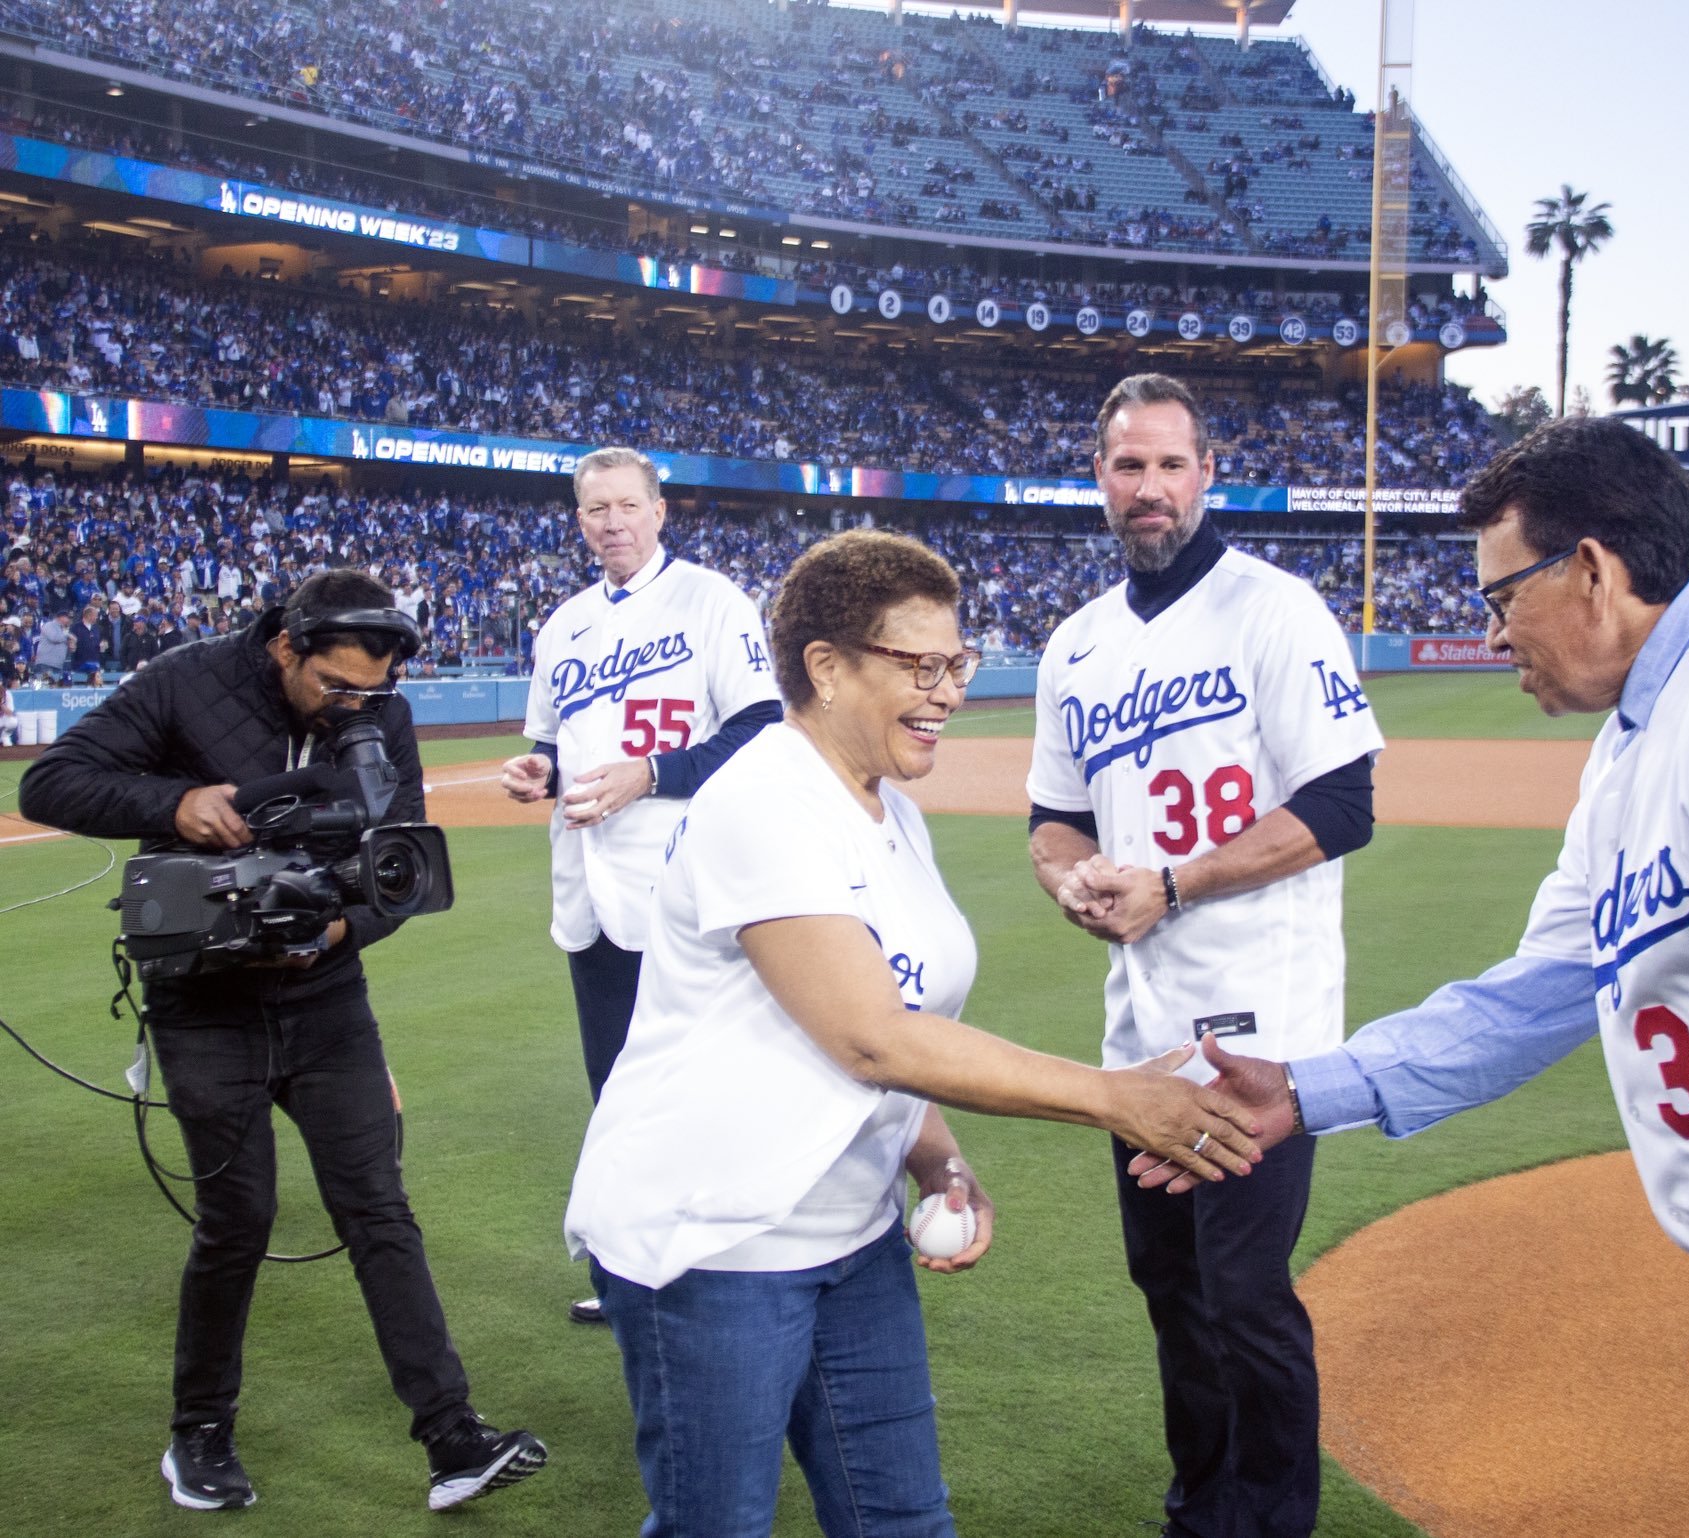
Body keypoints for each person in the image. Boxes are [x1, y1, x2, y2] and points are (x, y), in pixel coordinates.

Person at [1139, 417, 1689, 1538]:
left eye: (1498, 598)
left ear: (1590, 571)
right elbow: (1541, 988)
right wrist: (1306, 1090)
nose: (1488, 633)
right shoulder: (1641, 734)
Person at [564, 530, 1265, 1538]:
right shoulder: (763, 799)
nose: (946, 690)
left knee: (902, 1520)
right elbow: (870, 1037)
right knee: (712, 1525)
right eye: (919, 665)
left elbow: (900, 1015)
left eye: (955, 663)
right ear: (826, 666)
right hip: (717, 1239)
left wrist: (932, 1155)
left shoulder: (887, 807)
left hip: (852, 1237)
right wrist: (1116, 1097)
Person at [18, 570, 547, 1515]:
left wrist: (345, 930)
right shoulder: (186, 681)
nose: (357, 707)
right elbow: (52, 782)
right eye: (338, 687)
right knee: (239, 1219)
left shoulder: (380, 711)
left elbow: (401, 865)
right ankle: (199, 1434)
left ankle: (452, 1437)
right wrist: (175, 805)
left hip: (326, 995)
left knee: (379, 1207)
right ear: (284, 645)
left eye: (371, 693)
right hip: (204, 1000)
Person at [1025, 373, 1383, 1538]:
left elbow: (1343, 802)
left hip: (1258, 1024)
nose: (1149, 487)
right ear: (1100, 479)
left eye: (1170, 464)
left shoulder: (1272, 609)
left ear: (1204, 474)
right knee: (1170, 1287)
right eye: (1128, 465)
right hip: (1141, 1028)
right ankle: (1200, 1500)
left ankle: (1268, 1516)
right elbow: (1052, 817)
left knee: (1243, 1295)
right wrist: (1071, 876)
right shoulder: (1074, 645)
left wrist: (1174, 881)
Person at [500, 446, 783, 1326]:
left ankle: (716, 1270)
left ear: (661, 511)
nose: (613, 522)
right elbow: (553, 742)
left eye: (628, 505)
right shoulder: (563, 626)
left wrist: (651, 772)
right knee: (613, 1089)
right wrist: (536, 771)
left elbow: (763, 728)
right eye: (595, 510)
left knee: (693, 1085)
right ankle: (628, 1273)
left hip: (683, 888)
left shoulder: (712, 601)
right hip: (589, 893)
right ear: (579, 521)